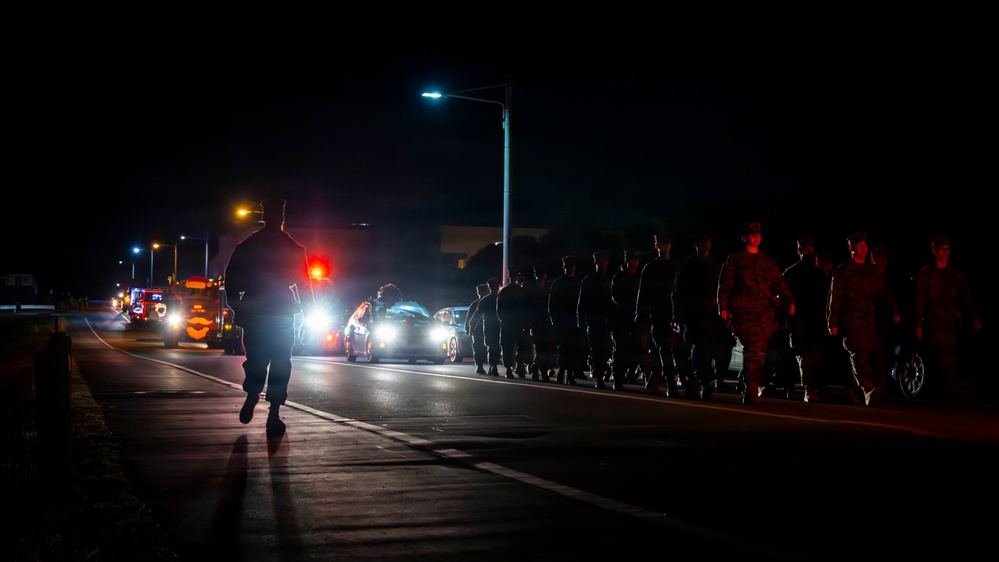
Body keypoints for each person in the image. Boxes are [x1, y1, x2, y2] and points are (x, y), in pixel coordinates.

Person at [223, 197, 314, 434]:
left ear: (265, 216)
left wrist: (238, 308)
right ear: (281, 217)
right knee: (280, 363)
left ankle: (254, 395)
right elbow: (304, 286)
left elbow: (231, 280)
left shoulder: (247, 246)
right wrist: (309, 315)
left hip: (256, 314)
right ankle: (273, 414)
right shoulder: (294, 248)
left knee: (257, 360)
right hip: (282, 315)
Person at [718, 222, 794, 404]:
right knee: (754, 347)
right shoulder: (735, 259)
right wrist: (723, 307)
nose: (755, 237)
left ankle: (750, 384)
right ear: (744, 237)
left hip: (765, 311)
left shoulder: (768, 261)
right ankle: (751, 387)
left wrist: (789, 300)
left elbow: (778, 282)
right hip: (744, 309)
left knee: (758, 350)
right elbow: (726, 285)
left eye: (758, 234)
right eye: (751, 234)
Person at [827, 232, 899, 406]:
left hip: (870, 321)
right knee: (859, 355)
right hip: (851, 321)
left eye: (865, 245)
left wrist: (894, 309)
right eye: (859, 245)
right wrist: (833, 321)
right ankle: (868, 390)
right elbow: (834, 298)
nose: (863, 248)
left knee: (868, 356)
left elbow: (884, 292)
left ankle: (856, 390)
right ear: (851, 248)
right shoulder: (842, 271)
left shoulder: (872, 270)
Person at [914, 235, 981, 402]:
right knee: (945, 354)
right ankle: (954, 387)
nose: (946, 252)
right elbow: (920, 301)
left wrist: (974, 316)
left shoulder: (955, 275)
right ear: (935, 251)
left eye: (947, 249)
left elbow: (966, 296)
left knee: (944, 355)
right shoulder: (926, 275)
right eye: (942, 249)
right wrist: (918, 323)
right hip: (933, 320)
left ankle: (937, 390)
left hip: (951, 321)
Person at [672, 228, 732, 400]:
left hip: (714, 316)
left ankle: (703, 377)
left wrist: (722, 307)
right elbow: (678, 291)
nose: (706, 243)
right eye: (702, 241)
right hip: (695, 316)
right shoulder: (687, 265)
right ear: (696, 245)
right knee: (700, 349)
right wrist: (677, 314)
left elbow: (725, 289)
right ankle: (704, 380)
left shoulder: (717, 265)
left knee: (721, 348)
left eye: (707, 240)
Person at [636, 233, 688, 396]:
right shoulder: (651, 268)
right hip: (659, 313)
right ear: (656, 245)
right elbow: (643, 292)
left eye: (667, 243)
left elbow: (683, 291)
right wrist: (641, 314)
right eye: (661, 243)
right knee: (664, 349)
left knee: (674, 350)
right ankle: (671, 384)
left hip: (676, 314)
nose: (665, 246)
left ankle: (657, 380)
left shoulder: (677, 266)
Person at [782, 236, 829, 402]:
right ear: (799, 250)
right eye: (805, 248)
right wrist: (785, 319)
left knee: (819, 356)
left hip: (816, 321)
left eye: (810, 247)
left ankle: (821, 388)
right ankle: (808, 389)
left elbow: (826, 298)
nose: (808, 250)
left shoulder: (819, 274)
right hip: (799, 320)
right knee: (804, 357)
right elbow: (783, 297)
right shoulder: (791, 273)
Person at [578, 250, 616, 389]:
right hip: (594, 320)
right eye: (599, 260)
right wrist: (581, 321)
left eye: (603, 260)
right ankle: (598, 375)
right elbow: (582, 303)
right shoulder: (588, 281)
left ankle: (600, 370)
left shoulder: (611, 279)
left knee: (605, 350)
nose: (601, 263)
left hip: (607, 320)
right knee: (596, 349)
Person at [548, 255, 586, 385]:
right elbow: (552, 305)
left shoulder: (577, 282)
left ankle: (567, 373)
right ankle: (565, 373)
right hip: (564, 322)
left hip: (573, 321)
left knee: (572, 349)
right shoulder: (560, 283)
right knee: (565, 349)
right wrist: (555, 322)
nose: (570, 267)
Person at [611, 249, 643, 386]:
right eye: (631, 259)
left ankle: (630, 372)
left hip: (636, 318)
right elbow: (616, 297)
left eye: (636, 259)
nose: (634, 262)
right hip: (622, 318)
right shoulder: (619, 277)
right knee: (621, 349)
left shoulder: (640, 277)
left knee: (637, 347)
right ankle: (618, 376)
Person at [496, 269, 534, 378]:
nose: (515, 277)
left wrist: (526, 323)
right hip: (510, 324)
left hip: (518, 324)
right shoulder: (506, 291)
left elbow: (526, 308)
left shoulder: (520, 291)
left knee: (524, 345)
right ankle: (509, 368)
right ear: (509, 275)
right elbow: (500, 311)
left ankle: (518, 364)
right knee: (507, 347)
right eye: (513, 275)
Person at [526, 265, 556, 382]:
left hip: (548, 324)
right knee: (541, 349)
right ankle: (543, 372)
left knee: (547, 349)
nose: (541, 277)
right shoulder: (532, 291)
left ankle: (535, 366)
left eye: (542, 275)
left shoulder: (548, 290)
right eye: (538, 275)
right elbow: (528, 310)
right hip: (537, 324)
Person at [467, 277, 502, 376]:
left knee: (494, 347)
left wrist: (471, 326)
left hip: (492, 328)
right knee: (493, 347)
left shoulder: (489, 300)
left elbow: (476, 315)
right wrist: (471, 327)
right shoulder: (492, 299)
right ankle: (492, 366)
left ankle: (493, 366)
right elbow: (476, 315)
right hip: (492, 328)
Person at [464, 283, 490, 375]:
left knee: (481, 348)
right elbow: (469, 318)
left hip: (482, 329)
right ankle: (481, 366)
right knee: (480, 348)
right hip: (479, 330)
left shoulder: (478, 304)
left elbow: (469, 319)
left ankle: (483, 366)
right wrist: (468, 329)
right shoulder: (476, 304)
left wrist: (468, 329)